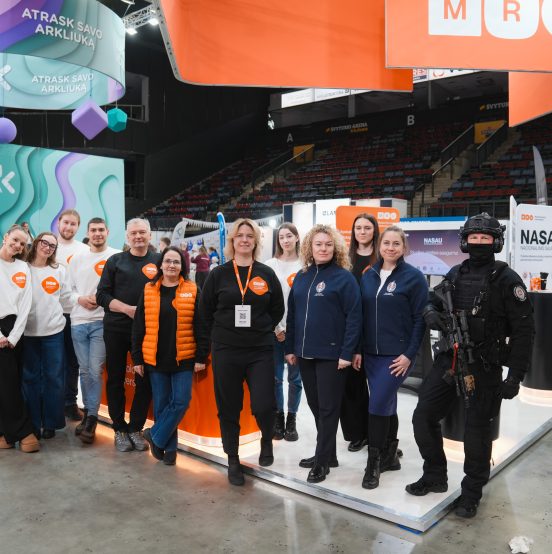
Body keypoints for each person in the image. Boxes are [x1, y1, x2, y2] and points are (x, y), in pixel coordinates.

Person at [406, 213, 534, 519]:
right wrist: (429, 312)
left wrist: (515, 376)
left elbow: (524, 331)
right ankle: (435, 475)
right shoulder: (455, 272)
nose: (478, 243)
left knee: (477, 433)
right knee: (423, 416)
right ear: (465, 241)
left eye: (485, 238)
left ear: (495, 242)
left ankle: (471, 493)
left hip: (485, 367)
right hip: (448, 360)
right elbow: (433, 300)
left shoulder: (507, 279)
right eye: (473, 237)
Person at [200, 218, 284, 486]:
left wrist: (261, 327)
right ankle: (233, 458)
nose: (245, 240)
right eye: (240, 235)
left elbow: (278, 308)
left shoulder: (266, 273)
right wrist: (221, 333)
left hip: (260, 349)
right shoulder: (218, 274)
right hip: (226, 349)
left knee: (263, 404)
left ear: (256, 241)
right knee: (229, 406)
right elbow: (205, 311)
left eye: (250, 236)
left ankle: (266, 440)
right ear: (232, 241)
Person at [285, 224, 361, 484]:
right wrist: (290, 348)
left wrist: (347, 352)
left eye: (328, 244)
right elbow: (292, 315)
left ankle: (322, 461)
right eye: (318, 244)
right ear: (310, 247)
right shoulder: (302, 276)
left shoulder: (344, 278)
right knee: (316, 406)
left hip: (333, 355)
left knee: (328, 409)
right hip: (305, 354)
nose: (323, 248)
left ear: (335, 247)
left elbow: (354, 317)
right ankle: (329, 454)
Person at [359, 225, 428, 489]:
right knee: (386, 402)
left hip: (396, 357)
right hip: (370, 354)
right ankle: (390, 456)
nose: (390, 248)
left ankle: (373, 462)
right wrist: (357, 349)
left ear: (404, 248)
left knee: (377, 405)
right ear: (379, 246)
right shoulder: (369, 275)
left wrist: (409, 355)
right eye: (386, 243)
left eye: (396, 244)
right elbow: (360, 314)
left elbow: (419, 320)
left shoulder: (414, 278)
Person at [132, 246, 209, 465]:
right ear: (161, 264)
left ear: (182, 266)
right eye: (167, 261)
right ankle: (170, 449)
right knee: (162, 405)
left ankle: (154, 435)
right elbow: (139, 325)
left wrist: (201, 356)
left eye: (176, 262)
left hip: (184, 357)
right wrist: (137, 358)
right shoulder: (149, 289)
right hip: (155, 357)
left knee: (181, 402)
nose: (171, 265)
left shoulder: (192, 289)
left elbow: (202, 324)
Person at [96, 218, 160, 452]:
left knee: (145, 380)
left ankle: (135, 427)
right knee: (115, 379)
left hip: (148, 332)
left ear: (150, 235)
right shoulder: (115, 261)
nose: (138, 236)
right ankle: (119, 429)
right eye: (133, 233)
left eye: (142, 232)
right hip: (116, 329)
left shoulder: (160, 261)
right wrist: (127, 310)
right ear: (127, 236)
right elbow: (102, 296)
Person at [68, 218, 120, 444]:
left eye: (101, 230)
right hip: (78, 321)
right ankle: (89, 414)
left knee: (95, 369)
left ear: (107, 231)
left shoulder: (116, 256)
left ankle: (91, 418)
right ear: (87, 233)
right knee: (84, 370)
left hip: (102, 321)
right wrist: (80, 299)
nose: (97, 233)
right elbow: (67, 290)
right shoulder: (77, 258)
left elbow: (121, 288)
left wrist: (103, 300)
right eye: (93, 230)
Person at [22, 232, 74, 439]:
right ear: (36, 243)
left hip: (53, 332)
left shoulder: (59, 270)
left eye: (52, 246)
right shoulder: (23, 268)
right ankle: (33, 423)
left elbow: (67, 298)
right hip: (27, 333)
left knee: (54, 378)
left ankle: (51, 422)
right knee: (30, 379)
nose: (48, 247)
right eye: (45, 243)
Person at [341, 213, 380, 453]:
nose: (362, 232)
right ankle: (357, 434)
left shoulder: (382, 257)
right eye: (358, 228)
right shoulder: (345, 259)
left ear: (374, 231)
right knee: (352, 386)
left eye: (367, 228)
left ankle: (380, 435)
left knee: (379, 388)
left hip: (376, 328)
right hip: (350, 329)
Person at [0, 225, 40, 453]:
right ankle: (23, 431)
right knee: (7, 383)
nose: (17, 245)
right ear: (6, 237)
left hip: (15, 329)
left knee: (11, 382)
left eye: (22, 244)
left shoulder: (23, 267)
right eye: (15, 240)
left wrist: (14, 335)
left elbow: (26, 303)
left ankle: (7, 434)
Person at [265, 222, 303, 441]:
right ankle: (278, 418)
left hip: (296, 332)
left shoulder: (305, 264)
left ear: (297, 237)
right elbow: (266, 299)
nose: (286, 240)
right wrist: (277, 327)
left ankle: (292, 419)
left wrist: (291, 330)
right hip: (274, 330)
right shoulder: (270, 265)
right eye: (281, 237)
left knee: (295, 379)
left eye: (289, 236)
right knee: (276, 378)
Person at [56, 209, 89, 422]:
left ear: (78, 226)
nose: (68, 227)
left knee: (73, 362)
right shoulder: (49, 246)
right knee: (53, 363)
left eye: (73, 224)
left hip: (76, 314)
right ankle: (52, 403)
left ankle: (70, 403)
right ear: (59, 223)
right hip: (52, 315)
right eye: (66, 222)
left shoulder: (83, 249)